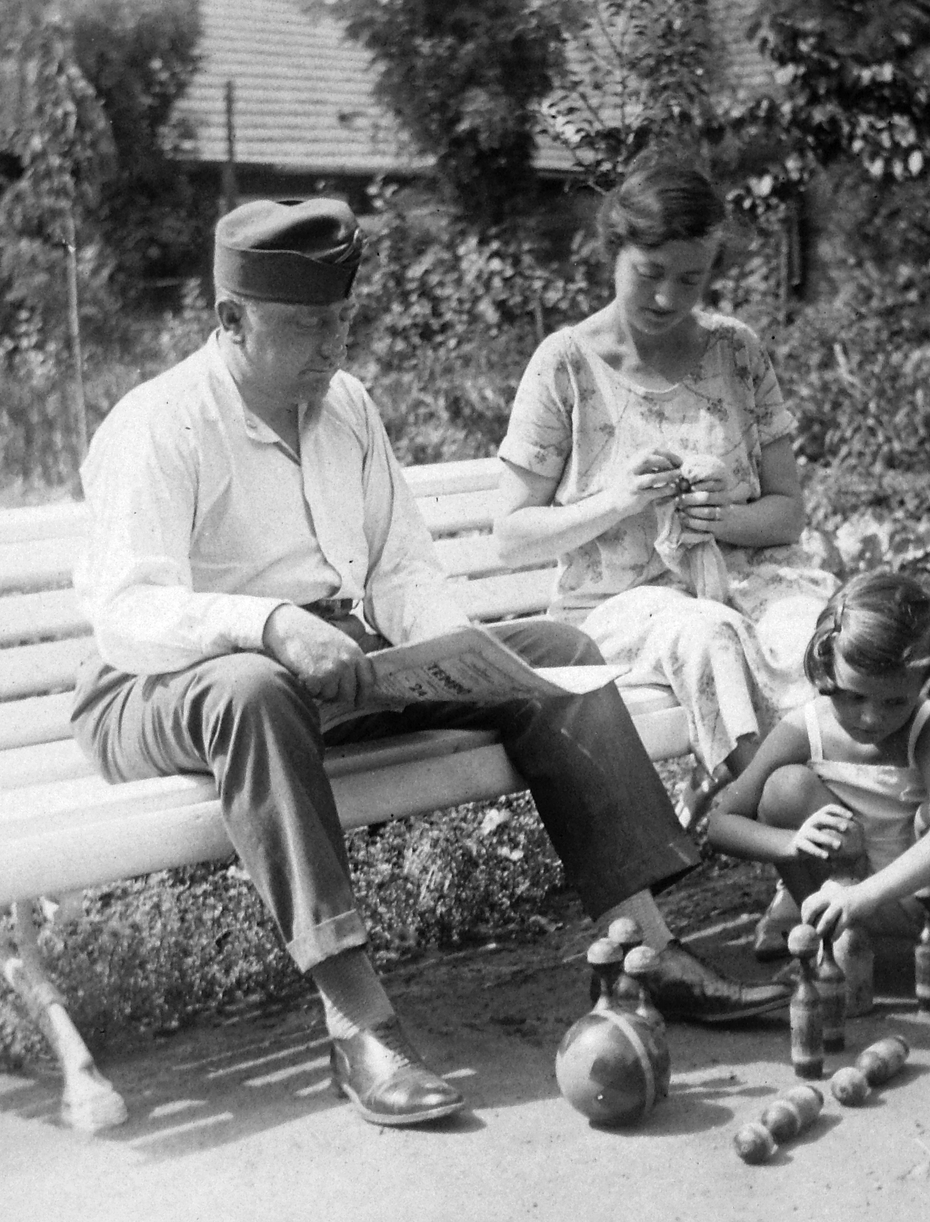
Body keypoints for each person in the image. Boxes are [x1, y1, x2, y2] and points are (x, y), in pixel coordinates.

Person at [70, 196, 788, 1130]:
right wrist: (271, 625)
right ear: (229, 321)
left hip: (329, 665)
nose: (330, 350)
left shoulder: (346, 408)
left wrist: (455, 654)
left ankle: (647, 947)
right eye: (303, 328)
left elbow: (403, 568)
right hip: (162, 685)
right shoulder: (160, 423)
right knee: (253, 689)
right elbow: (127, 611)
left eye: (340, 322)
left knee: (561, 659)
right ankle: (359, 1021)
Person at [493, 157, 837, 830]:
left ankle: (831, 830)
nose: (666, 299)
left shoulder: (735, 352)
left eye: (691, 278)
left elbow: (787, 512)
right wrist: (617, 501)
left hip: (745, 580)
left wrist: (721, 518)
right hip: (619, 606)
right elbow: (510, 535)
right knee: (707, 635)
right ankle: (798, 839)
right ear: (613, 250)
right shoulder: (566, 365)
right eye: (649, 274)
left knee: (816, 635)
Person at [704, 569, 930, 1001]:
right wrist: (793, 843)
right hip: (841, 894)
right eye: (853, 696)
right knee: (784, 787)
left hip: (929, 894)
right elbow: (721, 824)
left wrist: (865, 896)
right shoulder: (803, 729)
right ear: (826, 667)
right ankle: (836, 941)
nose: (870, 718)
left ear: (925, 683)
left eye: (894, 701)